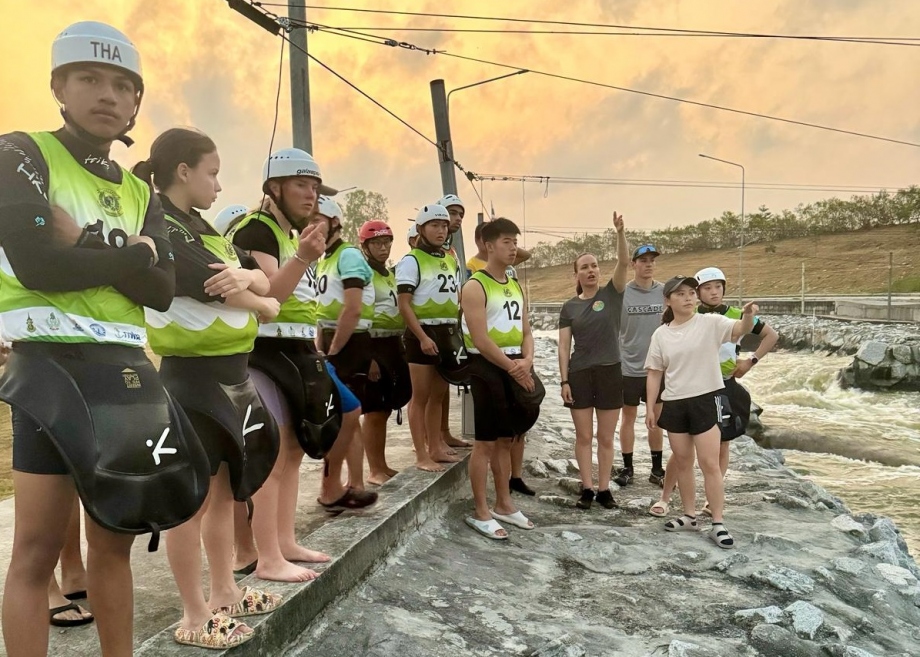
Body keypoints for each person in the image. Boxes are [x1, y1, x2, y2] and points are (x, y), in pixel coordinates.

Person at [0, 22, 211, 656]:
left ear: (136, 102)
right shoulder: (20, 152)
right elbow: (38, 265)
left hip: (123, 372)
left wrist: (88, 242)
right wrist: (130, 251)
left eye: (123, 85)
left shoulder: (142, 189)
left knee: (113, 542)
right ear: (59, 86)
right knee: (35, 551)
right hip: (49, 369)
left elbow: (160, 287)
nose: (107, 94)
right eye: (89, 78)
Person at [138, 128, 285, 648]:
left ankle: (224, 593)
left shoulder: (206, 226)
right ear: (184, 171)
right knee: (192, 502)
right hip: (190, 377)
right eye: (213, 172)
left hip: (231, 374)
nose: (220, 185)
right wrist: (260, 299)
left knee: (223, 494)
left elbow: (258, 282)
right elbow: (209, 284)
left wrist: (250, 285)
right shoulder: (160, 222)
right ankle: (194, 614)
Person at [228, 148, 358, 583]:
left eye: (316, 187)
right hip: (266, 351)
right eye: (302, 184)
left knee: (297, 449)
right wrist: (302, 257)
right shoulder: (257, 229)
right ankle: (267, 557)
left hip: (300, 349)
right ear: (274, 187)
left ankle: (284, 541)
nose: (311, 195)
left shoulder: (294, 232)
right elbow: (270, 299)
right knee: (275, 453)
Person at [650, 267, 778, 517]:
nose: (713, 292)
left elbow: (770, 335)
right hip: (688, 387)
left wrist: (751, 361)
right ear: (697, 292)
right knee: (682, 450)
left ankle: (712, 502)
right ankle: (666, 496)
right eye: (707, 288)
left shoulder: (733, 315)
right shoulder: (689, 313)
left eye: (718, 287)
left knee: (721, 445)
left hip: (723, 385)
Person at [644, 275, 757, 550]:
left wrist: (749, 316)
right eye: (681, 294)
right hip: (675, 403)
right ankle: (689, 515)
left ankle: (718, 522)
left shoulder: (710, 323)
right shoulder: (661, 334)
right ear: (668, 300)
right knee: (683, 462)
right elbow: (654, 373)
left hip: (706, 399)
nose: (689, 298)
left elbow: (740, 329)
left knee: (709, 462)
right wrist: (650, 407)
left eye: (692, 293)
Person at [461, 218, 542, 539]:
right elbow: (480, 339)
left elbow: (526, 330)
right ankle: (481, 511)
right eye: (507, 241)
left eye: (515, 241)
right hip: (486, 369)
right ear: (488, 245)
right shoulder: (475, 285)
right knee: (484, 443)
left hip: (515, 364)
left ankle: (504, 503)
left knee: (509, 439)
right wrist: (513, 369)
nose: (513, 247)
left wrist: (528, 360)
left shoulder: (513, 283)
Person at [557, 213, 629, 510]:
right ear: (576, 275)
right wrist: (563, 381)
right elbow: (564, 347)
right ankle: (586, 488)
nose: (590, 270)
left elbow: (624, 263)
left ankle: (604, 489)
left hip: (610, 372)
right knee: (584, 435)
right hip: (580, 374)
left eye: (594, 266)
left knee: (605, 437)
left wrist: (620, 232)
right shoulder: (569, 307)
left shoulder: (612, 294)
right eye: (584, 267)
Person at [312, 195, 376, 501]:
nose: (309, 226)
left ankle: (355, 483)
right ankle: (345, 484)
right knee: (341, 416)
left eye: (316, 220)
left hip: (348, 342)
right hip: (331, 340)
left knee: (349, 415)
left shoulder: (348, 255)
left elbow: (352, 309)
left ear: (334, 222)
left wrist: (333, 350)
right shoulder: (325, 258)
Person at [396, 205, 463, 471]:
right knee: (420, 396)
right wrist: (422, 337)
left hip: (447, 332)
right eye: (434, 225)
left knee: (438, 394)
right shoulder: (411, 260)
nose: (441, 230)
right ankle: (421, 454)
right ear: (422, 229)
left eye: (444, 226)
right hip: (422, 333)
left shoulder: (449, 258)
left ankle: (436, 447)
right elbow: (404, 304)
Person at [358, 220, 411, 485]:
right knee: (374, 411)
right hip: (373, 343)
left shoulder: (387, 274)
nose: (383, 248)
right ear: (365, 247)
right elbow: (361, 316)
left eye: (386, 242)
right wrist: (368, 359)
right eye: (376, 243)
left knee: (386, 409)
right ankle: (374, 469)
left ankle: (382, 464)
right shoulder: (364, 274)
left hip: (392, 343)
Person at [615, 245, 666, 488]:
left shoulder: (665, 292)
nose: (648, 264)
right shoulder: (623, 292)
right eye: (643, 260)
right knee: (628, 416)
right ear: (633, 264)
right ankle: (628, 467)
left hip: (657, 368)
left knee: (656, 418)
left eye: (652, 260)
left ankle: (657, 469)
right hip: (628, 367)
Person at [434, 194, 472, 454]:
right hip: (429, 325)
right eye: (452, 213)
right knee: (430, 388)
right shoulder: (428, 248)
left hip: (452, 322)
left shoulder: (452, 250)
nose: (456, 219)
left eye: (460, 215)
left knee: (445, 383)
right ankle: (430, 439)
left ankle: (444, 432)